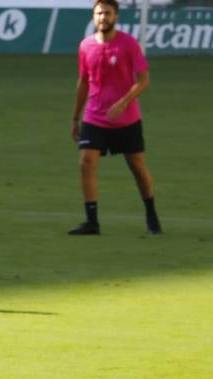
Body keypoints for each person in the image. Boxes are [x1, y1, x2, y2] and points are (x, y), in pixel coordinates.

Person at [69, 0, 161, 236]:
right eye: (99, 13)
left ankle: (151, 214)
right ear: (94, 16)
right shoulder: (85, 46)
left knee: (137, 167)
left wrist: (123, 102)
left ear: (116, 16)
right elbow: (84, 82)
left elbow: (144, 80)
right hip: (94, 116)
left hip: (126, 118)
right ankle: (92, 222)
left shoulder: (128, 44)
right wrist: (75, 117)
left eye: (108, 13)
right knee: (86, 163)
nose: (103, 17)